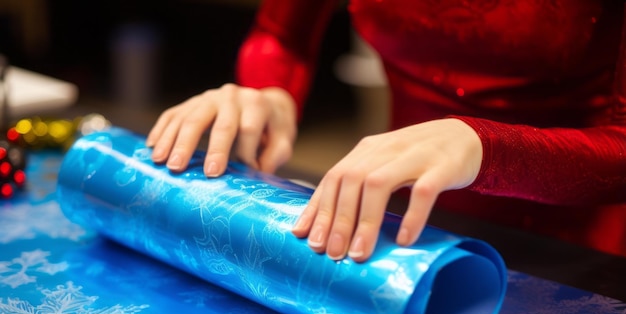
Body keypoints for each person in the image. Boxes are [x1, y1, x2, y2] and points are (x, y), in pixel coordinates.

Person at [146, 0, 626, 262]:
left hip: (578, 245)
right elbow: (281, 35)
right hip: (403, 219)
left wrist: (488, 146)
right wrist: (270, 91)